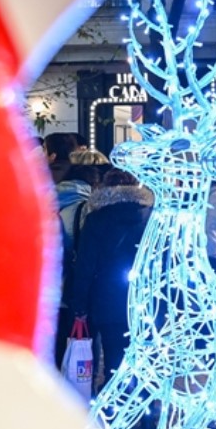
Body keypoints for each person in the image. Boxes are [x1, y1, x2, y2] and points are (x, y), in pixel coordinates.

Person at [68, 169, 153, 386]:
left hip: (108, 300)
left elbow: (86, 266)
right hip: (146, 300)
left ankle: (115, 411)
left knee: (113, 358)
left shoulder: (97, 219)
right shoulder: (152, 216)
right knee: (145, 359)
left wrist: (80, 307)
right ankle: (145, 412)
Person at [52, 161, 102, 368]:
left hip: (51, 287)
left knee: (55, 341)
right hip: (75, 286)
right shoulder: (86, 208)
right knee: (84, 340)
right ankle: (80, 388)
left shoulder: (48, 203)